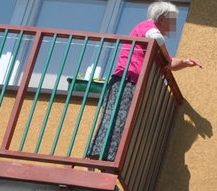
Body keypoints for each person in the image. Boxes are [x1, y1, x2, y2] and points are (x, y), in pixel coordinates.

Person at [86, 1, 202, 162]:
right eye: (172, 19)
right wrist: (168, 58)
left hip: (135, 84)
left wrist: (185, 62)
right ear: (161, 19)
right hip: (125, 80)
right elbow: (157, 39)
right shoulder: (147, 27)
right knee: (112, 119)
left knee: (122, 123)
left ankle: (106, 162)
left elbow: (169, 64)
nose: (174, 24)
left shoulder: (155, 44)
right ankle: (90, 163)